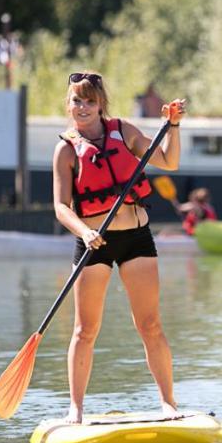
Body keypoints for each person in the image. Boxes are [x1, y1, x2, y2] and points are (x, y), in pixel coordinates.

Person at [52, 71, 186, 424]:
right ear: (68, 105)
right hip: (93, 242)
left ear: (101, 105)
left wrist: (172, 126)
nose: (82, 107)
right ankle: (76, 409)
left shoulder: (124, 131)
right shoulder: (65, 149)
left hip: (136, 238)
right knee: (85, 330)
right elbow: (61, 207)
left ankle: (169, 403)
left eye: (90, 101)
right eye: (76, 101)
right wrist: (84, 231)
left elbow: (169, 162)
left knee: (150, 324)